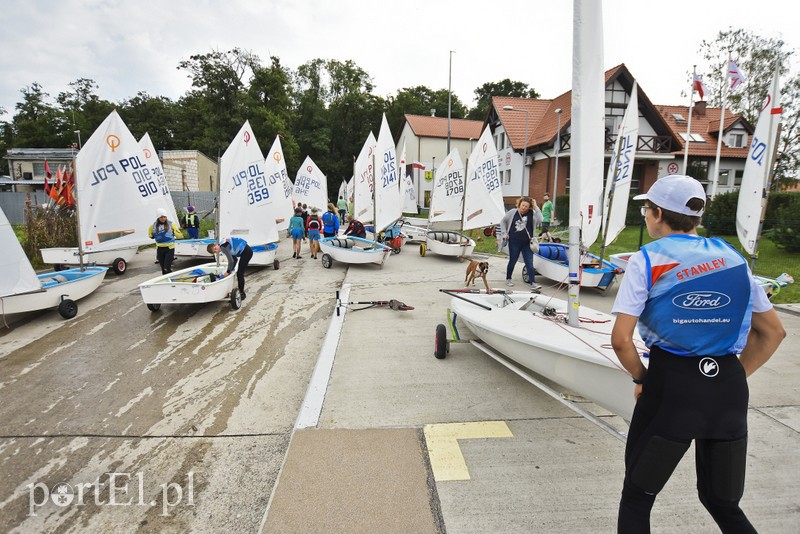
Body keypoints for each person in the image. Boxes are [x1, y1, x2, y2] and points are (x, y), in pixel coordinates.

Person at [610, 174, 786, 533]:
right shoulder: (734, 258)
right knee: (722, 503)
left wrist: (643, 378)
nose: (645, 214)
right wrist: (730, 376)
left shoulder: (647, 260)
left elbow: (621, 340)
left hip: (671, 386)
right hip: (728, 388)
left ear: (657, 213)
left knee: (638, 497)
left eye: (646, 208)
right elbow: (773, 332)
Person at [499, 196, 542, 290]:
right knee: (513, 260)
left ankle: (533, 283)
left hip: (527, 243)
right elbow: (502, 222)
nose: (524, 208)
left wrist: (536, 207)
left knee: (529, 262)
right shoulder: (512, 212)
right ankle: (508, 279)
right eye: (522, 205)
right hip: (514, 242)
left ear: (529, 207)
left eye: (526, 206)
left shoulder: (532, 214)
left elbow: (541, 220)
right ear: (519, 204)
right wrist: (504, 233)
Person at [148, 208, 183, 274]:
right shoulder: (153, 226)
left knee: (166, 268)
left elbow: (179, 235)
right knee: (163, 270)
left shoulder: (171, 224)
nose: (163, 218)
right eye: (161, 217)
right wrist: (152, 235)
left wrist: (179, 235)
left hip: (169, 249)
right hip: (160, 249)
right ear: (158, 217)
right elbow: (150, 235)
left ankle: (171, 280)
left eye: (164, 217)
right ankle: (166, 281)